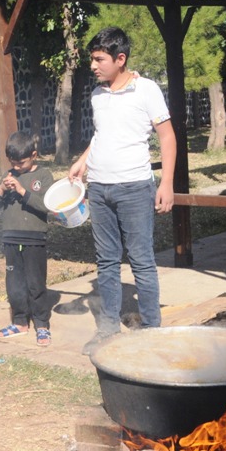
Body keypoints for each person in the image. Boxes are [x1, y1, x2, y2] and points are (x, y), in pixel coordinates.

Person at [69, 27, 176, 355]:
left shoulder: (146, 90)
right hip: (99, 189)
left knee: (142, 260)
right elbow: (103, 134)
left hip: (134, 187)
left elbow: (168, 137)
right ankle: (107, 328)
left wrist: (167, 183)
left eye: (99, 59)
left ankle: (151, 329)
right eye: (92, 59)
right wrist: (83, 160)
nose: (93, 65)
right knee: (106, 260)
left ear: (120, 59)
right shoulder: (98, 95)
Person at [0, 131, 55, 347]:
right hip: (11, 237)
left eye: (21, 163)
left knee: (36, 283)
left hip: (34, 237)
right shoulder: (8, 175)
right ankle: (19, 322)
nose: (16, 167)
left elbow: (47, 205)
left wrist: (22, 191)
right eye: (13, 163)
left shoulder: (44, 176)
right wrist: (1, 189)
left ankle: (42, 325)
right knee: (14, 283)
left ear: (34, 155)